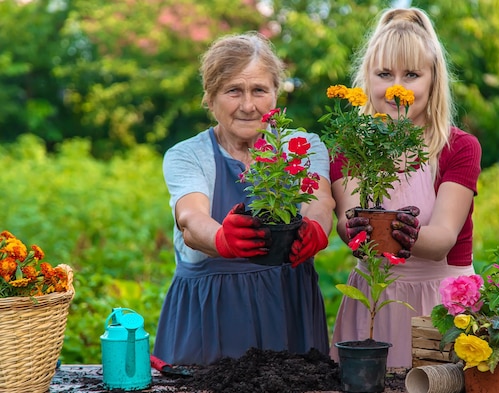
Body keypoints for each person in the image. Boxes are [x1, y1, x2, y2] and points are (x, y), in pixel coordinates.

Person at [153, 32, 335, 366]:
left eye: (259, 90)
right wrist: (222, 238)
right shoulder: (188, 155)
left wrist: (317, 230)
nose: (248, 105)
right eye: (233, 90)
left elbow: (320, 200)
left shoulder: (303, 146)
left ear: (276, 95)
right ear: (210, 98)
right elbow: (191, 220)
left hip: (287, 307)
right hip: (209, 315)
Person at [330, 8, 482, 368]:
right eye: (385, 74)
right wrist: (351, 229)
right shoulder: (351, 146)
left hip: (441, 308)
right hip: (373, 301)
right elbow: (346, 222)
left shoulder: (457, 147)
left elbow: (442, 240)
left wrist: (403, 232)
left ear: (433, 80)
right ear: (368, 78)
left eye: (411, 74)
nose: (397, 86)